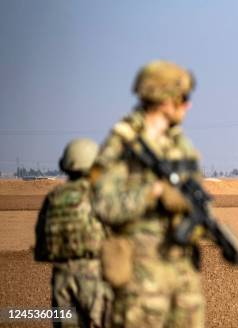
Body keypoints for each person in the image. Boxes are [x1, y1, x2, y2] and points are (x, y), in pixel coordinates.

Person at [91, 60, 205, 327]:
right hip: (141, 281)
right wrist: (152, 192)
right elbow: (103, 205)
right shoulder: (122, 143)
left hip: (182, 277)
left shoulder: (181, 145)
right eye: (183, 98)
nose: (188, 105)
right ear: (164, 99)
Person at [34, 138, 112, 328]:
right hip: (94, 276)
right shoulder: (99, 196)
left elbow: (42, 244)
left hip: (61, 278)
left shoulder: (53, 198)